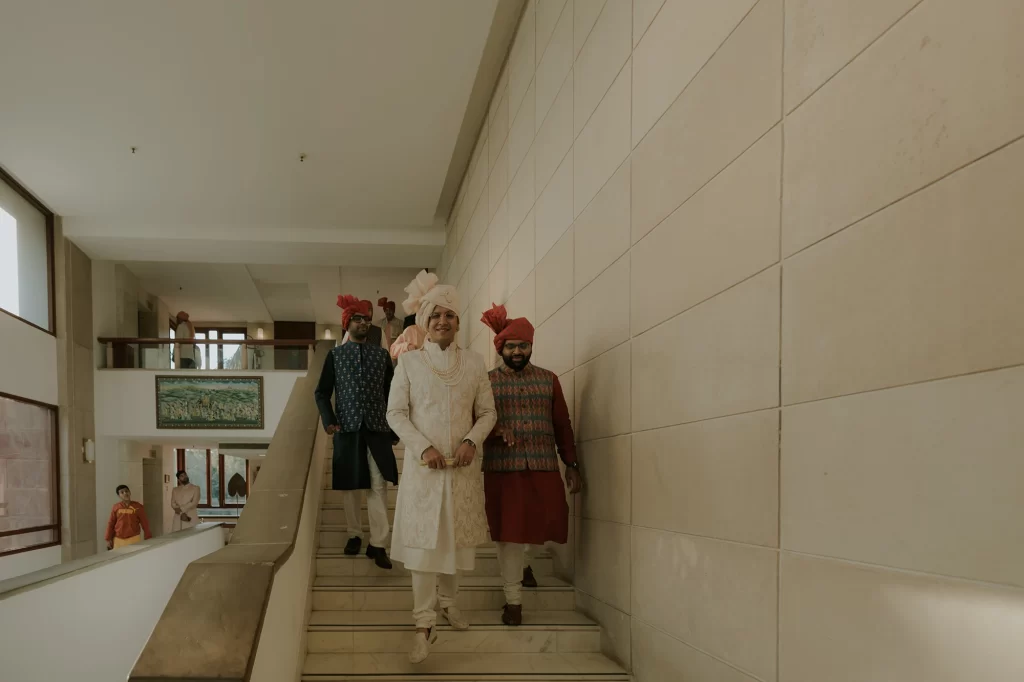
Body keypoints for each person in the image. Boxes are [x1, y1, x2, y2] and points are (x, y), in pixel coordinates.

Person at [386, 270, 497, 663]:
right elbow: (395, 414)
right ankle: (423, 624)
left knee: (455, 545)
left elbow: (487, 413)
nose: (442, 321)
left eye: (449, 315)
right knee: (422, 552)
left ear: (457, 322)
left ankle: (449, 603)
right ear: (425, 322)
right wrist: (423, 448)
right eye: (435, 316)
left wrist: (471, 441)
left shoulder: (475, 362)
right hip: (425, 474)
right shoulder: (411, 364)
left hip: (463, 472)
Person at [480, 304, 583, 626]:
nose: (517, 351)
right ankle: (513, 600)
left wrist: (571, 463)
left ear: (531, 347)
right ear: (501, 348)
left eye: (523, 345)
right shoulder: (485, 382)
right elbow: (473, 421)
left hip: (542, 465)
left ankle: (526, 564)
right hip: (502, 469)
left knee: (542, 527)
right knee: (508, 533)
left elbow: (562, 423)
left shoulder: (548, 380)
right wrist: (496, 430)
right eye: (511, 346)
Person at [314, 295, 399, 569]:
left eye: (366, 319)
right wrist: (329, 420)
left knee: (378, 484)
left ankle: (379, 543)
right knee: (351, 487)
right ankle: (354, 534)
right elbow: (322, 392)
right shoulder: (335, 356)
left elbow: (392, 394)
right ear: (347, 324)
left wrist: (394, 428)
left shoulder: (381, 355)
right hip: (347, 428)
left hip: (377, 428)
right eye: (357, 319)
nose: (363, 323)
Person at [104, 485, 153, 549]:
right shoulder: (116, 507)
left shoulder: (138, 506)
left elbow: (144, 523)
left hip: (134, 538)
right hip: (118, 539)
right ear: (119, 495)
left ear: (130, 492)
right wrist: (108, 538)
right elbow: (111, 523)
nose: (125, 493)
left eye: (126, 491)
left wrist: (148, 537)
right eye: (122, 492)